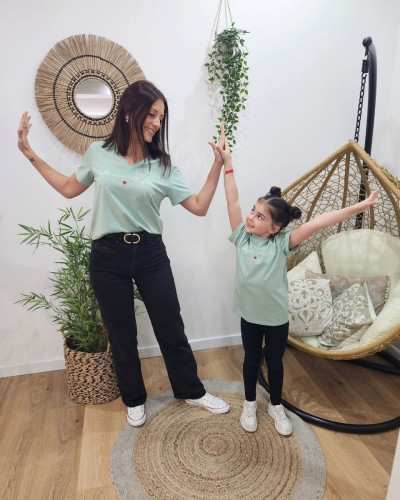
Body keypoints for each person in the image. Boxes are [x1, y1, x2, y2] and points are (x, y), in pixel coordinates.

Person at [17, 80, 230, 426]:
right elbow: (70, 188)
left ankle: (191, 390)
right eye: (153, 114)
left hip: (150, 253)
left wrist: (218, 165)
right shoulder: (98, 153)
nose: (157, 124)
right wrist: (30, 154)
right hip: (107, 256)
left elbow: (199, 206)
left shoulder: (163, 165)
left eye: (162, 118)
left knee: (170, 325)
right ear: (131, 112)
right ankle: (134, 398)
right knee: (121, 331)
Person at [211, 131, 380, 435]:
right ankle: (250, 403)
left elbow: (318, 222)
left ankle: (276, 405)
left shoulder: (281, 244)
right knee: (251, 361)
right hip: (249, 316)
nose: (251, 217)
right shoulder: (241, 236)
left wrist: (359, 207)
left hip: (276, 319)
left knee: (275, 364)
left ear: (274, 228)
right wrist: (228, 163)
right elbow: (232, 197)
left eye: (260, 217)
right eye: (253, 211)